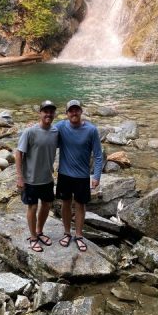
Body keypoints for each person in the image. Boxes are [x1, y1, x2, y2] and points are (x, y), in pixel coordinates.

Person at [55, 99, 103, 252]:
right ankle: (67, 233)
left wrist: (96, 176)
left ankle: (79, 235)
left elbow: (98, 155)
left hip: (82, 176)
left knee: (81, 205)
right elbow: (45, 132)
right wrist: (32, 129)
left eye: (76, 110)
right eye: (71, 110)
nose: (74, 113)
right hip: (64, 174)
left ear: (81, 111)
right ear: (67, 113)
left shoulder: (91, 130)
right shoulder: (61, 127)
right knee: (66, 204)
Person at [15, 100, 59, 252]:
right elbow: (19, 153)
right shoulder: (30, 132)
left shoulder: (55, 132)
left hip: (47, 178)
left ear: (54, 114)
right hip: (30, 179)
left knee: (46, 205)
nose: (48, 114)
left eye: (51, 111)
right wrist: (19, 177)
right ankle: (33, 237)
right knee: (32, 207)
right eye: (45, 111)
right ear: (40, 113)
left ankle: (40, 231)